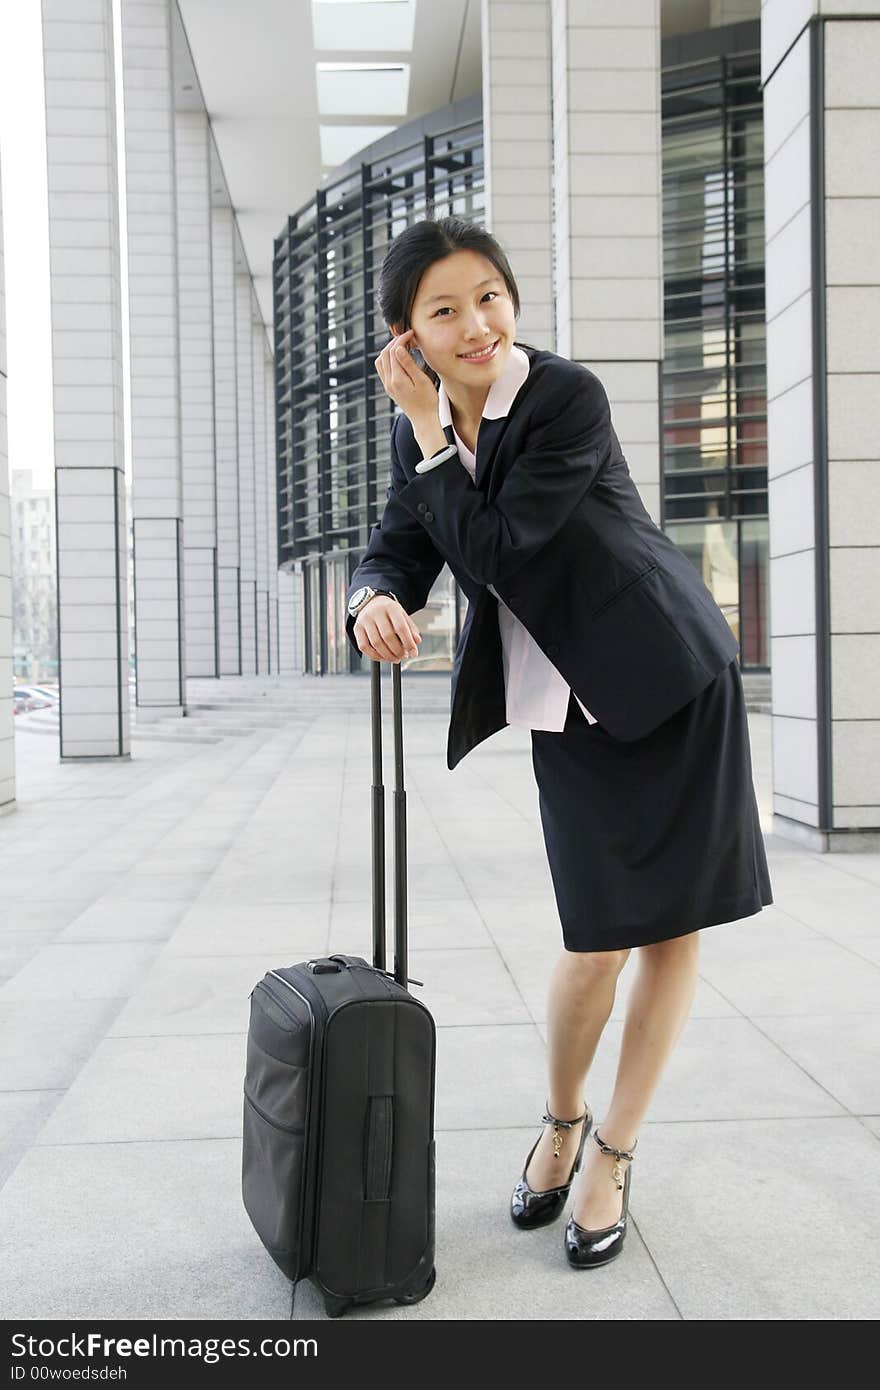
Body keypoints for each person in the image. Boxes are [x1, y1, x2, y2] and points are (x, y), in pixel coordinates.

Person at [345, 216, 773, 1269]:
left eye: (488, 294)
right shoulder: (423, 422)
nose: (476, 323)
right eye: (444, 309)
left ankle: (612, 1151)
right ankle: (561, 1114)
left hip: (667, 680)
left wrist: (433, 438)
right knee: (593, 943)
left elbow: (497, 546)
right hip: (567, 708)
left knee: (670, 930)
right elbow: (404, 541)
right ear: (408, 333)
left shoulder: (565, 398)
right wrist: (368, 596)